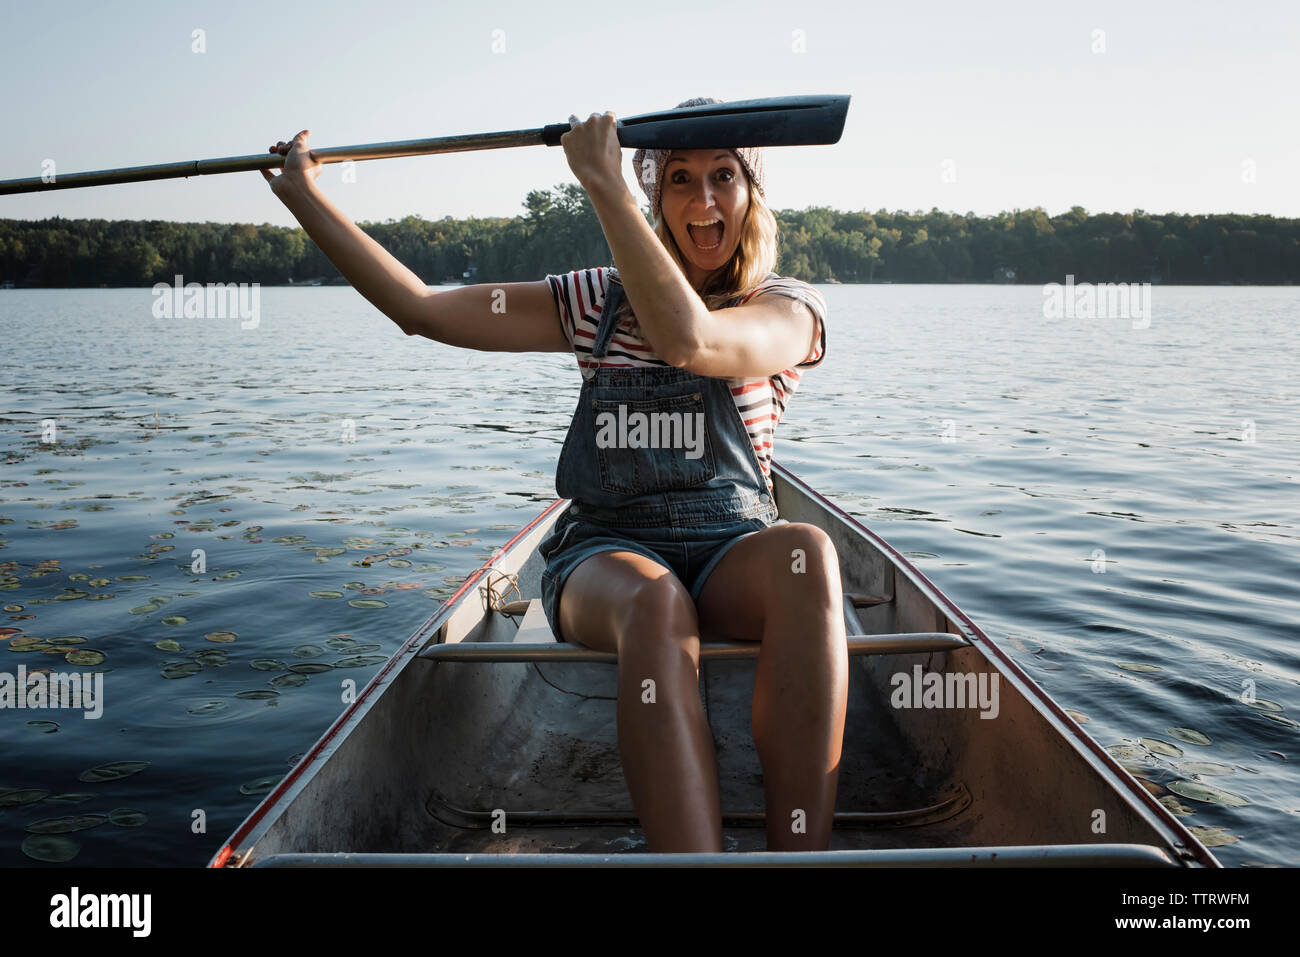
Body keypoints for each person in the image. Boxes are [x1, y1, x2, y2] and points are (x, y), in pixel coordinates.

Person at [261, 97, 848, 853]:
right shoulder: (593, 302)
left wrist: (601, 185)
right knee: (657, 605)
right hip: (608, 553)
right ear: (656, 198)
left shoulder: (788, 309)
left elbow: (690, 340)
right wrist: (309, 200)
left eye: (723, 175)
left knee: (811, 558)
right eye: (679, 179)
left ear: (750, 192)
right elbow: (422, 309)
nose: (703, 199)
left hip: (734, 546)